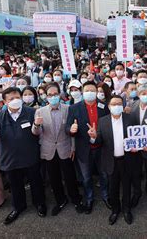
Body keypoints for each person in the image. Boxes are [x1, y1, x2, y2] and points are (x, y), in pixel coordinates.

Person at [0, 87, 46, 225]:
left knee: (36, 182)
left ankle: (40, 204)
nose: (15, 100)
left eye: (17, 97)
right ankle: (18, 207)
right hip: (10, 158)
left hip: (30, 156)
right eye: (11, 99)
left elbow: (38, 132)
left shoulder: (32, 112)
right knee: (15, 185)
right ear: (5, 102)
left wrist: (36, 125)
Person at [32, 82, 83, 216]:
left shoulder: (68, 109)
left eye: (55, 94)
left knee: (70, 176)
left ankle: (76, 199)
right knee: (54, 178)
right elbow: (36, 133)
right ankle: (60, 200)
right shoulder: (40, 111)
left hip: (65, 147)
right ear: (45, 97)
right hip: (48, 149)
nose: (53, 97)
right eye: (49, 95)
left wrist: (73, 147)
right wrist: (36, 125)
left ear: (60, 94)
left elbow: (72, 130)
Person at [90, 95, 140, 225]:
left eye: (119, 103)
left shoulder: (131, 118)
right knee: (113, 188)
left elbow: (137, 137)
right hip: (110, 160)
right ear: (109, 106)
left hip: (127, 159)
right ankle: (115, 210)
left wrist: (137, 147)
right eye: (114, 104)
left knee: (127, 186)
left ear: (123, 106)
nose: (116, 106)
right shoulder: (103, 121)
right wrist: (94, 137)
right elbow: (99, 140)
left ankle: (126, 209)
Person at [65, 81, 110, 214]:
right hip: (84, 148)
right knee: (86, 177)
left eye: (92, 90)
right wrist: (71, 129)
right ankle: (89, 198)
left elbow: (108, 125)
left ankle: (106, 196)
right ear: (83, 92)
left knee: (104, 174)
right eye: (87, 91)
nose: (90, 93)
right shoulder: (74, 108)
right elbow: (67, 128)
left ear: (96, 92)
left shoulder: (104, 106)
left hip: (101, 147)